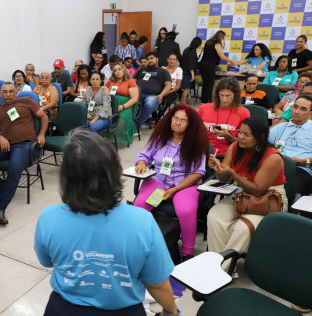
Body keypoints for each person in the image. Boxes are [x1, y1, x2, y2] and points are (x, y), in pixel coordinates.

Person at [35, 129, 180, 316]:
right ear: (114, 172)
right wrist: (172, 313)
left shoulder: (49, 217)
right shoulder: (142, 221)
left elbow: (47, 261)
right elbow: (157, 284)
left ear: (67, 178)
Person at [207, 116, 287, 271]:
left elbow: (257, 189)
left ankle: (221, 270)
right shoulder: (235, 147)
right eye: (239, 132)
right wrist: (218, 169)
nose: (240, 137)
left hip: (269, 198)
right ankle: (219, 264)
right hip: (244, 193)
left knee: (243, 228)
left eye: (246, 134)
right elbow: (223, 178)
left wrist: (233, 173)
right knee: (215, 217)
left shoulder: (273, 157)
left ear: (260, 137)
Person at [134, 104, 208, 260]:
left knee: (185, 210)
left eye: (183, 121)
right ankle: (138, 244)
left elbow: (198, 172)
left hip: (185, 183)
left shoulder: (196, 142)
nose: (177, 123)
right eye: (175, 118)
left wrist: (175, 189)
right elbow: (144, 155)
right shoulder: (161, 138)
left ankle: (187, 253)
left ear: (190, 125)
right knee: (140, 205)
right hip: (159, 180)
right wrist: (141, 163)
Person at [0, 82, 48, 225]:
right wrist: (0, 137)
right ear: (0, 94)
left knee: (14, 169)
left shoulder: (27, 101)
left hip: (25, 145)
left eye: (10, 91)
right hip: (6, 146)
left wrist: (41, 135)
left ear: (15, 92)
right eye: (5, 92)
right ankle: (2, 187)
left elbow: (44, 117)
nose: (8, 94)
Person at [269, 94, 312, 196]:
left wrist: (303, 161)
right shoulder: (280, 127)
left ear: (310, 114)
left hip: (301, 170)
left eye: (303, 109)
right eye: (295, 107)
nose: (297, 111)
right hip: (275, 167)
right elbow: (262, 146)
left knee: (289, 192)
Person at [198, 77, 250, 157]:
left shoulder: (243, 113)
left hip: (228, 155)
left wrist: (227, 136)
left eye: (228, 96)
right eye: (221, 95)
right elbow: (191, 133)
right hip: (203, 152)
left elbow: (245, 143)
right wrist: (200, 129)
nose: (224, 99)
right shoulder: (204, 108)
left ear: (235, 95)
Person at [199, 31, 240, 103]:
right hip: (209, 66)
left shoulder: (208, 42)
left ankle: (204, 102)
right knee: (209, 85)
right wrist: (232, 61)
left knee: (206, 85)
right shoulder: (217, 44)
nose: (223, 39)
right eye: (223, 37)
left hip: (202, 66)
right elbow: (222, 56)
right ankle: (206, 103)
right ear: (220, 36)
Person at [133, 52, 172, 128]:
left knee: (149, 104)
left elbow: (169, 85)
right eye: (148, 59)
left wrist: (161, 95)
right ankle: (127, 124)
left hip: (152, 96)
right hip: (137, 94)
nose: (150, 60)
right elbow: (133, 81)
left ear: (157, 59)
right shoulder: (141, 70)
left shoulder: (163, 71)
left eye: (152, 58)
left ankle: (136, 126)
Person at [105, 62, 139, 146]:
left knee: (121, 119)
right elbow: (103, 92)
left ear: (124, 70)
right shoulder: (110, 81)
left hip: (126, 106)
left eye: (119, 69)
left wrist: (123, 107)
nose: (117, 71)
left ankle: (113, 139)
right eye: (115, 70)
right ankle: (106, 137)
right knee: (105, 118)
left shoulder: (130, 81)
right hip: (111, 105)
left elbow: (134, 98)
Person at [180, 37, 202, 104]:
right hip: (187, 73)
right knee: (186, 89)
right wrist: (192, 74)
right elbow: (191, 64)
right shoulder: (192, 51)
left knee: (185, 88)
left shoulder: (187, 49)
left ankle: (184, 102)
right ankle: (183, 103)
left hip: (184, 71)